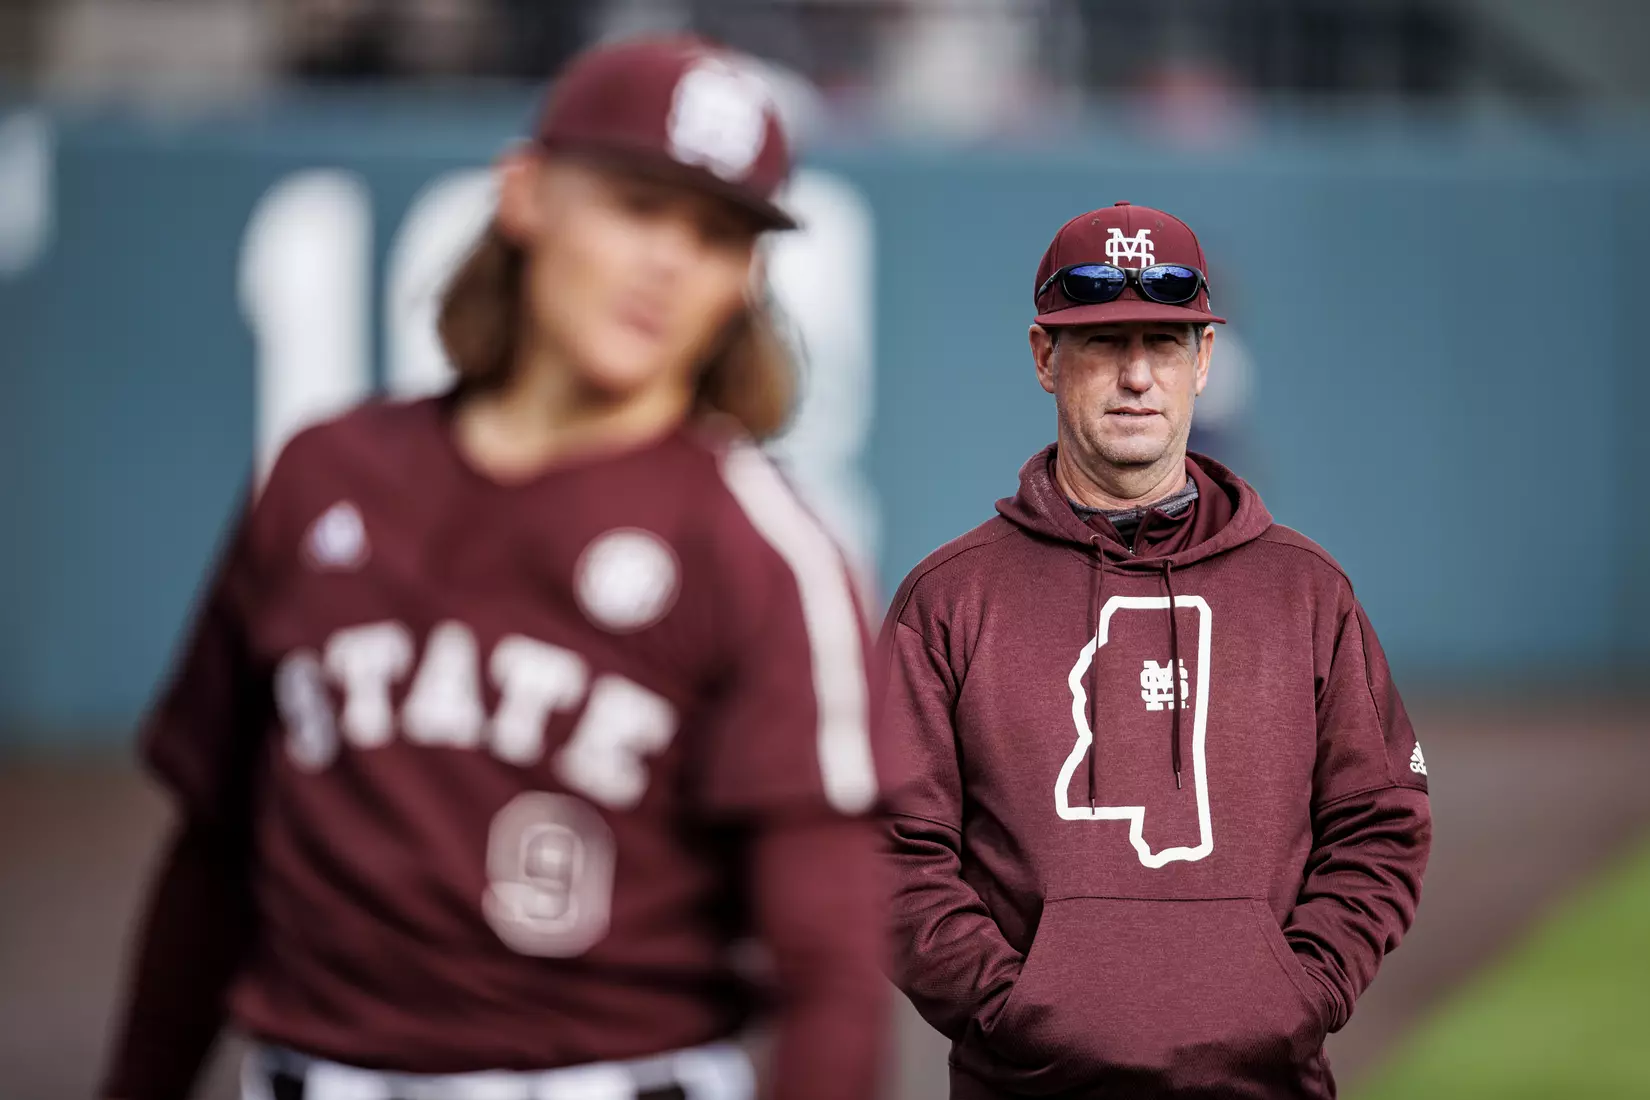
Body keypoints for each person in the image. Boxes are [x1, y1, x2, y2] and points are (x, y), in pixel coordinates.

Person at [101, 35, 889, 1100]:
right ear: (525, 195)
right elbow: (213, 854)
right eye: (636, 205)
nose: (670, 261)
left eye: (716, 236)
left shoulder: (761, 551)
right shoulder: (321, 473)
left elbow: (832, 974)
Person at [882, 201, 1431, 1098]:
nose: (1138, 375)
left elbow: (1383, 816)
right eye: (1104, 343)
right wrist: (1014, 1008)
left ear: (1205, 361)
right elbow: (891, 849)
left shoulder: (1306, 589)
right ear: (1043, 358)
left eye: (1166, 343)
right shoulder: (949, 600)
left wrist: (1301, 990)